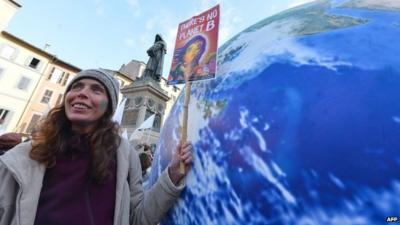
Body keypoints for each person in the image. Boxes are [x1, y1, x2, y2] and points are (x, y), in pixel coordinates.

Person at [0, 69, 193, 225]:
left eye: (96, 90)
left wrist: (173, 174)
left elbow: (138, 218)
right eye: (76, 87)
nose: (82, 93)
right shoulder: (23, 156)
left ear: (109, 107)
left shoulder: (125, 156)